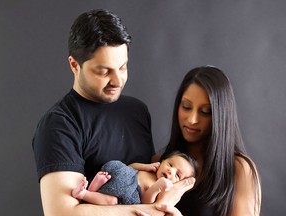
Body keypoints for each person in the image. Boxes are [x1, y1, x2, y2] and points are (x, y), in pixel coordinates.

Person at [32, 9, 195, 216]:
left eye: (123, 67)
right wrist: (153, 211)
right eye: (104, 71)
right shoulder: (59, 124)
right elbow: (62, 213)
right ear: (74, 65)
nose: (117, 81)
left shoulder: (136, 111)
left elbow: (144, 179)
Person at [159, 66, 262, 215]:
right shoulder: (161, 162)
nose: (192, 120)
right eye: (186, 107)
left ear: (220, 116)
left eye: (205, 112)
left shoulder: (240, 170)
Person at [72, 151, 198, 205]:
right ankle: (95, 188)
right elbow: (131, 167)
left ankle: (85, 194)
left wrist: (157, 188)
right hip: (123, 174)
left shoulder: (162, 189)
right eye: (170, 164)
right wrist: (146, 166)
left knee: (112, 202)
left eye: (177, 175)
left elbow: (146, 201)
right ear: (163, 160)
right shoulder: (151, 170)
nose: (171, 171)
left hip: (125, 193)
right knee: (120, 169)